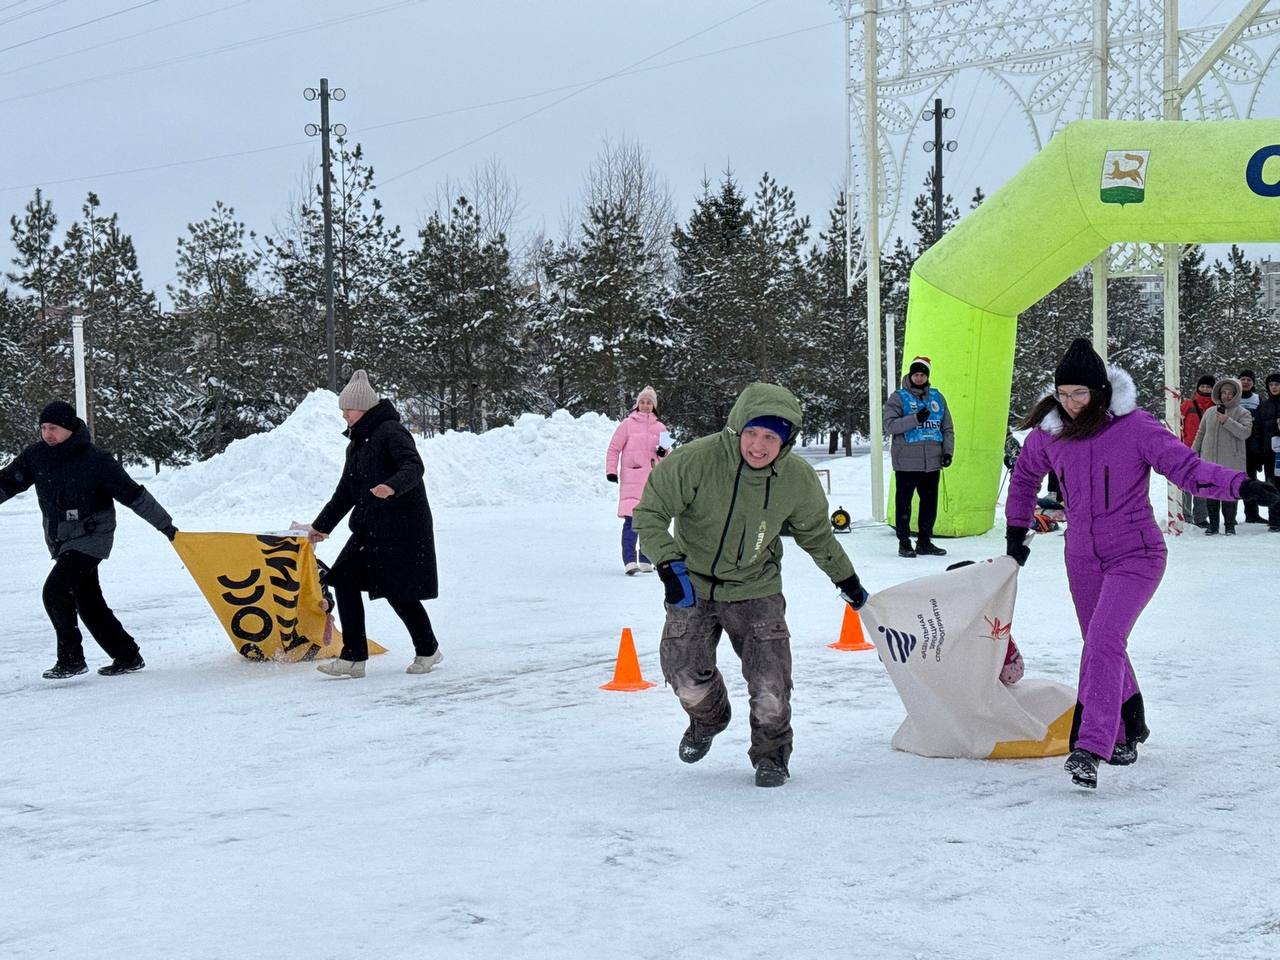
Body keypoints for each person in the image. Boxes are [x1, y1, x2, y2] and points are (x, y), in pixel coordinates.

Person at [1005, 340, 1280, 790]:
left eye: (1079, 394)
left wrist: (1242, 486)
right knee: (1102, 643)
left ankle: (1091, 745)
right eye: (1063, 394)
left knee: (1102, 640)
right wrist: (1016, 533)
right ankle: (1130, 722)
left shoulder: (1135, 427)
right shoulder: (1049, 435)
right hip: (1082, 558)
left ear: (1099, 391)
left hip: (1136, 554)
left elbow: (1187, 470)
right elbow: (1023, 480)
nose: (1070, 403)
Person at [632, 382, 869, 788]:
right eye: (752, 433)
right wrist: (670, 567)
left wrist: (847, 580)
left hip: (756, 588)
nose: (759, 446)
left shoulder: (796, 479)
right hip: (693, 583)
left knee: (771, 684)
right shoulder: (695, 461)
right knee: (685, 676)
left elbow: (817, 536)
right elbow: (650, 513)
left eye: (771, 438)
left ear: (786, 441)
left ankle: (772, 755)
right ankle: (709, 719)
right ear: (738, 428)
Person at [0, 401, 177, 679]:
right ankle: (127, 655)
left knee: (55, 592)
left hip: (93, 536)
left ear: (69, 428)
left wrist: (165, 525)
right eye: (43, 428)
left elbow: (133, 494)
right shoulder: (36, 456)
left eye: (53, 428)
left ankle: (71, 659)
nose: (47, 434)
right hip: (62, 538)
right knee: (88, 600)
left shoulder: (95, 460)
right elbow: (8, 482)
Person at [303, 370, 441, 678]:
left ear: (364, 408)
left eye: (348, 410)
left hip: (402, 529)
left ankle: (428, 650)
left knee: (399, 591)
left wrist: (391, 486)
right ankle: (353, 657)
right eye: (343, 411)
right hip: (370, 528)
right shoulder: (356, 443)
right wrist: (320, 526)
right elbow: (345, 492)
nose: (344, 416)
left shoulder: (392, 432)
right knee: (345, 579)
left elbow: (413, 466)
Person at [883, 355, 954, 557]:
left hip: (931, 462)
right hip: (906, 462)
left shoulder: (937, 397)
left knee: (929, 504)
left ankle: (924, 541)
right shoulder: (898, 397)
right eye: (916, 374)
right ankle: (904, 542)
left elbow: (947, 428)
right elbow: (890, 426)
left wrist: (948, 452)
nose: (919, 378)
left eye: (923, 375)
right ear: (910, 375)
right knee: (904, 504)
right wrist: (915, 419)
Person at [604, 385, 667, 574]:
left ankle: (646, 559)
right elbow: (614, 448)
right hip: (632, 479)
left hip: (652, 482)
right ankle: (630, 561)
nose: (646, 405)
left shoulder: (661, 428)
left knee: (648, 521)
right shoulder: (627, 424)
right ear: (637, 404)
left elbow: (668, 454)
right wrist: (611, 471)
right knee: (631, 521)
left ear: (654, 406)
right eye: (643, 402)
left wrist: (662, 452)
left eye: (649, 402)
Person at [1192, 377, 1252, 535]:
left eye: (1230, 393)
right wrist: (1193, 452)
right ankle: (1213, 525)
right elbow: (1201, 433)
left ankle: (1230, 525)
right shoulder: (1210, 412)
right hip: (1209, 459)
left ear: (1236, 395)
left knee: (1229, 493)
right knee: (1211, 493)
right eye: (1224, 392)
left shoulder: (1243, 412)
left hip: (1232, 460)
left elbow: (1245, 432)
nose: (1226, 396)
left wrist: (1227, 421)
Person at [1179, 374, 1216, 527]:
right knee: (1186, 483)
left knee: (1203, 483)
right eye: (1203, 386)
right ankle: (1185, 515)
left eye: (1208, 387)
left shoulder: (1216, 407)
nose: (1205, 389)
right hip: (1188, 449)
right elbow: (1178, 423)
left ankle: (1201, 517)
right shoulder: (1188, 404)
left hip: (1208, 450)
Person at [1238, 371, 1266, 523]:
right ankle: (1229, 516)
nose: (1246, 382)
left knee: (1251, 479)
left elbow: (1261, 423)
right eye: (1243, 379)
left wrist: (1259, 448)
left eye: (1249, 380)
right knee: (1233, 478)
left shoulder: (1257, 399)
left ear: (1253, 383)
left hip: (1252, 446)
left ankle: (1252, 513)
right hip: (1235, 444)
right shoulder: (1234, 397)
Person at [1261, 372, 1280, 532]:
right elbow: (1258, 430)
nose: (1274, 387)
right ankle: (1274, 520)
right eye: (1271, 385)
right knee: (1272, 485)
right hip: (1270, 453)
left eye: (1277, 384)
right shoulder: (1264, 406)